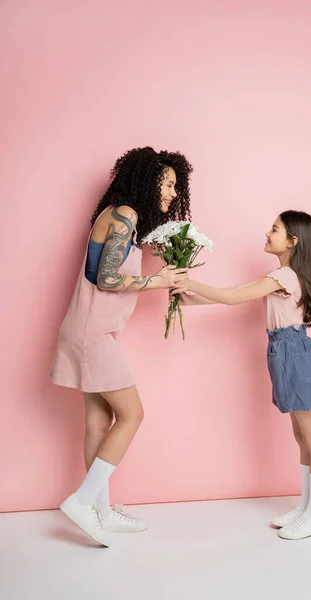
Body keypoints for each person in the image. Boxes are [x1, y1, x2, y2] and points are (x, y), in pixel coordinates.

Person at [50, 147, 193, 546]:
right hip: (92, 335)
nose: (170, 192)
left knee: (99, 421)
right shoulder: (125, 215)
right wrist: (160, 281)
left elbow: (103, 273)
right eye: (166, 184)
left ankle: (100, 510)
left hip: (90, 330)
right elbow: (107, 279)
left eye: (174, 186)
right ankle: (82, 502)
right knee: (132, 415)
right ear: (146, 180)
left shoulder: (119, 215)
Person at [173, 210, 311, 540]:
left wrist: (189, 282)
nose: (267, 233)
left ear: (292, 241)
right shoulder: (281, 275)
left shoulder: (286, 277)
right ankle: (306, 509)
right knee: (302, 437)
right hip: (284, 353)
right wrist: (187, 299)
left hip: (296, 355)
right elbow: (235, 295)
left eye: (275, 229)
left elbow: (232, 296)